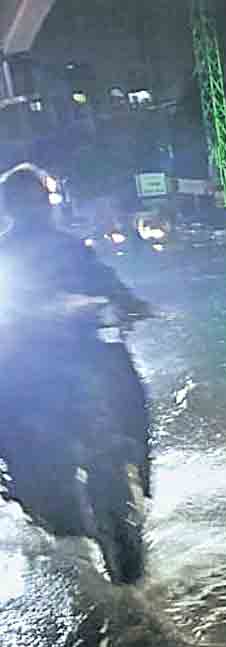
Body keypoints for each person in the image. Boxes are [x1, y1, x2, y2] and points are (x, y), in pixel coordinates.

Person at [0, 165, 152, 556]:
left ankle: (139, 467)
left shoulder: (71, 249)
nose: (38, 208)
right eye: (29, 200)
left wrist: (128, 305)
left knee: (129, 395)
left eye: (40, 199)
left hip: (78, 359)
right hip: (18, 364)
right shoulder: (4, 252)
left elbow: (108, 285)